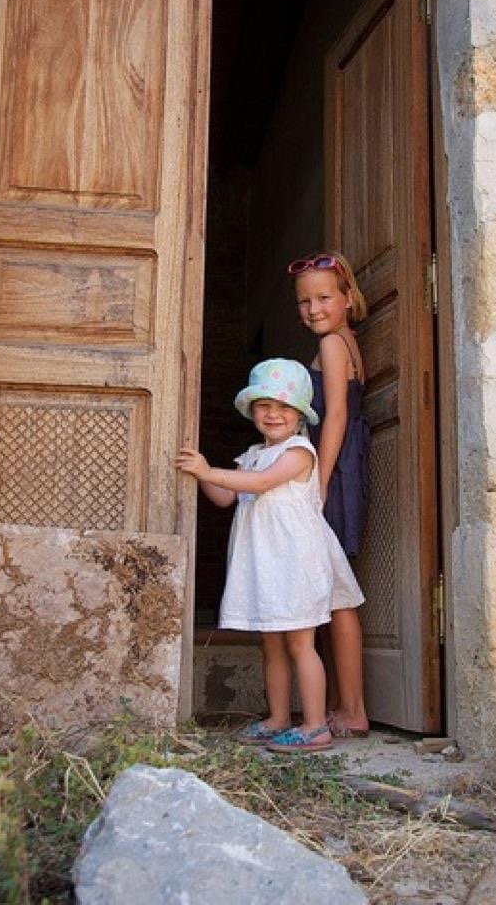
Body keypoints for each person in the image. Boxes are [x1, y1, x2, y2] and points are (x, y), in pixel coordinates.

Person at [176, 358, 364, 753]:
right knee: (272, 644)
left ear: (300, 414)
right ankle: (278, 718)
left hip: (294, 564)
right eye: (264, 405)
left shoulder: (300, 452)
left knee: (300, 644)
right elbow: (226, 497)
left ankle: (315, 725)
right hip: (264, 566)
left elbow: (261, 483)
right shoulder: (250, 456)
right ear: (252, 410)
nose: (273, 414)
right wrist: (199, 474)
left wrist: (210, 472)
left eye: (284, 407)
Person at [287, 251, 370, 738]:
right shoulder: (346, 341)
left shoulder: (334, 345)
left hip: (333, 473)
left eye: (323, 298)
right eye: (304, 301)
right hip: (343, 467)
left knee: (338, 594)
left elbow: (335, 414)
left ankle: (352, 710)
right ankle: (344, 706)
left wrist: (317, 483)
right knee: (335, 588)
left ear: (348, 298)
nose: (313, 308)